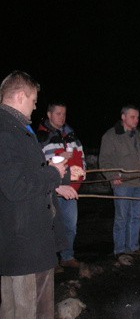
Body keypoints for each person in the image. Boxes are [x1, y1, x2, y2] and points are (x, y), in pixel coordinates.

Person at [0, 71, 76, 319]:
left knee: (17, 312)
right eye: (33, 100)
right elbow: (16, 186)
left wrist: (56, 185)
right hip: (24, 244)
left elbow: (22, 173)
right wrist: (53, 174)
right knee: (27, 314)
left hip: (31, 242)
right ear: (20, 96)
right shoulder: (6, 130)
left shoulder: (16, 127)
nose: (35, 106)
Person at [99, 105, 140, 257]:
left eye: (137, 117)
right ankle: (120, 250)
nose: (136, 120)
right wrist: (113, 176)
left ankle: (133, 247)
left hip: (139, 183)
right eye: (132, 117)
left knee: (136, 216)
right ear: (123, 117)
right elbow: (104, 160)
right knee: (122, 217)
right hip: (122, 184)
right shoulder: (111, 136)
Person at [37, 101, 86, 269]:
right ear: (49, 115)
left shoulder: (71, 135)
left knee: (70, 224)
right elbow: (37, 165)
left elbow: (81, 156)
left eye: (64, 114)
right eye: (58, 114)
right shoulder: (41, 137)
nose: (62, 117)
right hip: (50, 191)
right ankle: (51, 260)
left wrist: (82, 170)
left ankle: (67, 256)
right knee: (50, 225)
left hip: (71, 188)